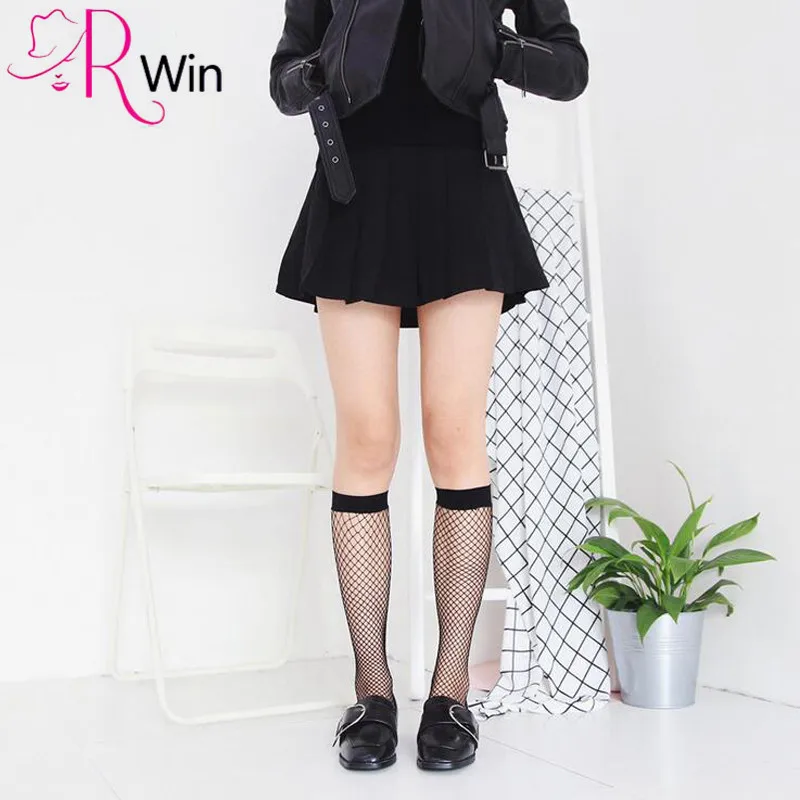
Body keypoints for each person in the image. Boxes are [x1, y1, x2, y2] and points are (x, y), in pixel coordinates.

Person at [269, 0, 588, 772]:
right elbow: (284, 76)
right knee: (367, 438)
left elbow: (569, 69)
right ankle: (372, 693)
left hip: (464, 187)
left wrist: (493, 48)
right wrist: (324, 67)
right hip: (353, 188)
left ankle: (450, 693)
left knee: (454, 434)